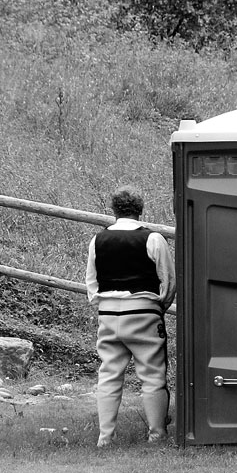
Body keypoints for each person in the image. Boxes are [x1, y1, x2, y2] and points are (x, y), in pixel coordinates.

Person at [85, 185, 176, 448]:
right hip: (143, 311)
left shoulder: (97, 240)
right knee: (152, 374)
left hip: (108, 313)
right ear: (140, 209)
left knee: (109, 374)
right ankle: (157, 433)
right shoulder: (153, 239)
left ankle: (105, 437)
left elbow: (92, 283)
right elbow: (168, 281)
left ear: (113, 210)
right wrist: (159, 305)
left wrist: (104, 303)